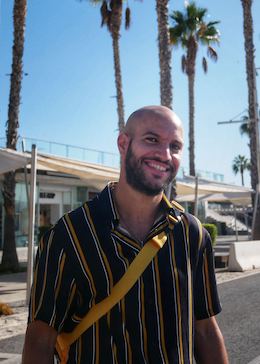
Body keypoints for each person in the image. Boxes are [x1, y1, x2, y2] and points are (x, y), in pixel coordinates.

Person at [22, 105, 229, 364]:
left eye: (174, 146)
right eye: (152, 139)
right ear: (123, 143)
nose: (165, 154)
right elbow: (40, 339)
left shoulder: (192, 233)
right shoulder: (67, 236)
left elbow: (206, 329)